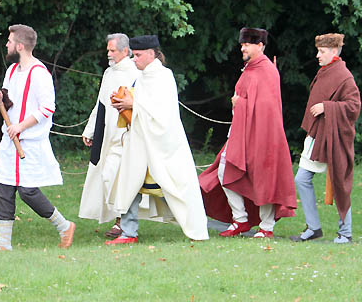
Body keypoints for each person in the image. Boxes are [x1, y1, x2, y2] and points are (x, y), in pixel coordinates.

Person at [106, 35, 209, 244]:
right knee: (129, 183)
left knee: (177, 186)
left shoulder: (164, 76)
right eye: (134, 55)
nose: (135, 59)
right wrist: (124, 104)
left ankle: (195, 227)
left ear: (152, 54)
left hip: (164, 145)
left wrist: (132, 103)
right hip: (139, 142)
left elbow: (163, 112)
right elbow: (140, 104)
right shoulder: (142, 77)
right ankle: (128, 233)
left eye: (139, 55)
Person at [198, 28, 296, 238]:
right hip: (242, 132)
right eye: (242, 44)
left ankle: (266, 227)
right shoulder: (249, 69)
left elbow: (266, 107)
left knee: (264, 177)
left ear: (260, 45)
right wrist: (240, 104)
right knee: (226, 171)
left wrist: (239, 104)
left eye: (247, 44)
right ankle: (240, 219)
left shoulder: (267, 70)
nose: (242, 48)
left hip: (263, 135)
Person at [0, 24, 75, 251]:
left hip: (30, 142)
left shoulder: (39, 73)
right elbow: (9, 101)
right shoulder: (11, 71)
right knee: (4, 189)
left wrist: (21, 126)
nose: (6, 45)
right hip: (10, 141)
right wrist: (0, 97)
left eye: (9, 42)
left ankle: (64, 226)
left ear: (19, 46)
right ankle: (4, 243)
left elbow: (47, 108)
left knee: (28, 191)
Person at [290, 33, 360, 244]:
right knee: (301, 179)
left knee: (340, 181)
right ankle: (313, 228)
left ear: (333, 52)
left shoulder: (344, 76)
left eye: (321, 51)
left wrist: (327, 107)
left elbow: (354, 106)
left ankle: (345, 233)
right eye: (318, 51)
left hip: (335, 138)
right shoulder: (325, 71)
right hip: (317, 135)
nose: (317, 55)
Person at [79, 33, 139, 238]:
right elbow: (101, 104)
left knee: (118, 177)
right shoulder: (108, 73)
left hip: (128, 134)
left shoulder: (135, 72)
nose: (109, 54)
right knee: (107, 177)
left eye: (113, 50)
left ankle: (121, 222)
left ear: (125, 51)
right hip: (109, 134)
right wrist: (90, 130)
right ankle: (121, 220)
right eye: (108, 50)